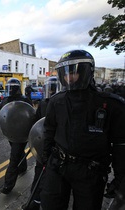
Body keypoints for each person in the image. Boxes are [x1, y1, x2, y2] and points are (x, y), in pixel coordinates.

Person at [40, 50, 125, 210]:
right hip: (58, 165)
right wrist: (46, 159)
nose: (68, 77)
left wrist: (120, 178)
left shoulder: (111, 105)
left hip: (90, 172)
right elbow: (49, 131)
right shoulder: (56, 101)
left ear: (86, 72)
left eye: (73, 72)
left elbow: (120, 144)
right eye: (65, 73)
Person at [0, 78, 32, 194]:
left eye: (13, 88)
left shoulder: (25, 100)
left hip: (21, 132)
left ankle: (8, 185)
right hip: (11, 132)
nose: (11, 90)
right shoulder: (6, 101)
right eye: (10, 87)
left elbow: (32, 115)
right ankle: (23, 167)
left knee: (14, 157)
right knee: (17, 152)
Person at [25, 76, 59, 210]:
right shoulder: (44, 103)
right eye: (49, 88)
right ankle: (34, 201)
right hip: (44, 142)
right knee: (39, 172)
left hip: (58, 144)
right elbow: (37, 121)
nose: (50, 90)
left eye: (53, 88)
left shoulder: (62, 102)